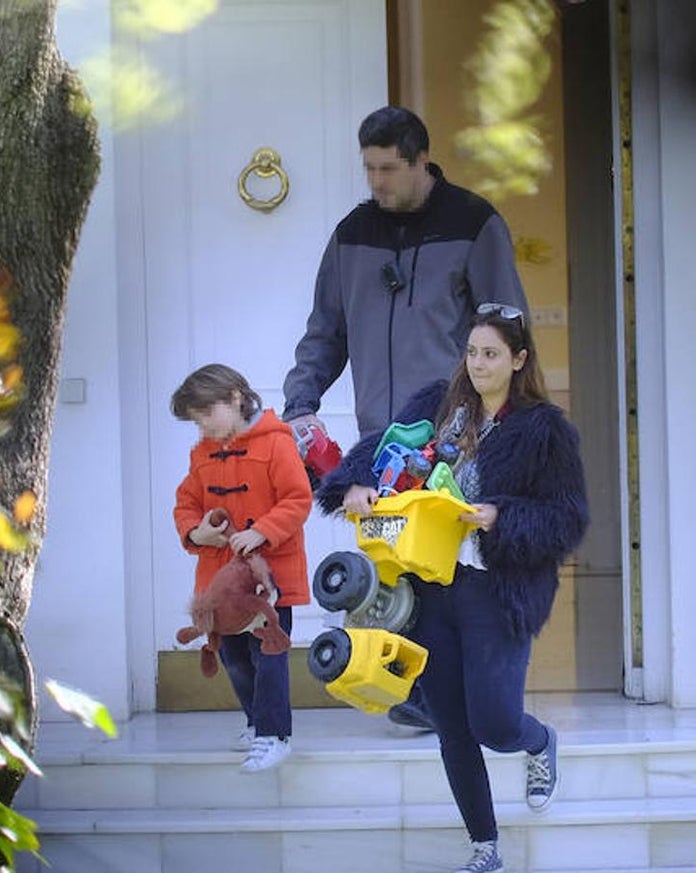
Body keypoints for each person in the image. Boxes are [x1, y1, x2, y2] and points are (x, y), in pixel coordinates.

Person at [314, 305, 588, 873]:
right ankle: (484, 847)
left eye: (491, 354)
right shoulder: (438, 406)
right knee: (450, 724)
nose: (479, 363)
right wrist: (355, 485)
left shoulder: (545, 429)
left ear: (519, 359)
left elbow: (568, 518)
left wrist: (500, 515)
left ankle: (537, 743)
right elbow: (379, 449)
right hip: (426, 589)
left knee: (494, 721)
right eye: (472, 352)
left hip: (495, 590)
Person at [282, 104, 530, 731]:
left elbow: (505, 325)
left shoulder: (475, 223)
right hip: (382, 438)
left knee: (454, 564)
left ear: (423, 160)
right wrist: (300, 405)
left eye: (389, 169)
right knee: (394, 565)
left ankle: (475, 697)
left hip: (456, 431)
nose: (377, 183)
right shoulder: (351, 235)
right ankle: (420, 694)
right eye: (369, 169)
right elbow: (325, 332)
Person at [171, 364, 313, 774]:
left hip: (268, 580)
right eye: (196, 421)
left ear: (235, 397)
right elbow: (186, 504)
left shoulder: (275, 444)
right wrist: (196, 533)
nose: (203, 427)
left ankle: (274, 735)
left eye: (206, 414)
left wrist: (262, 532)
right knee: (232, 654)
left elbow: (296, 499)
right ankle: (256, 721)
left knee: (268, 653)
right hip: (221, 581)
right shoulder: (201, 453)